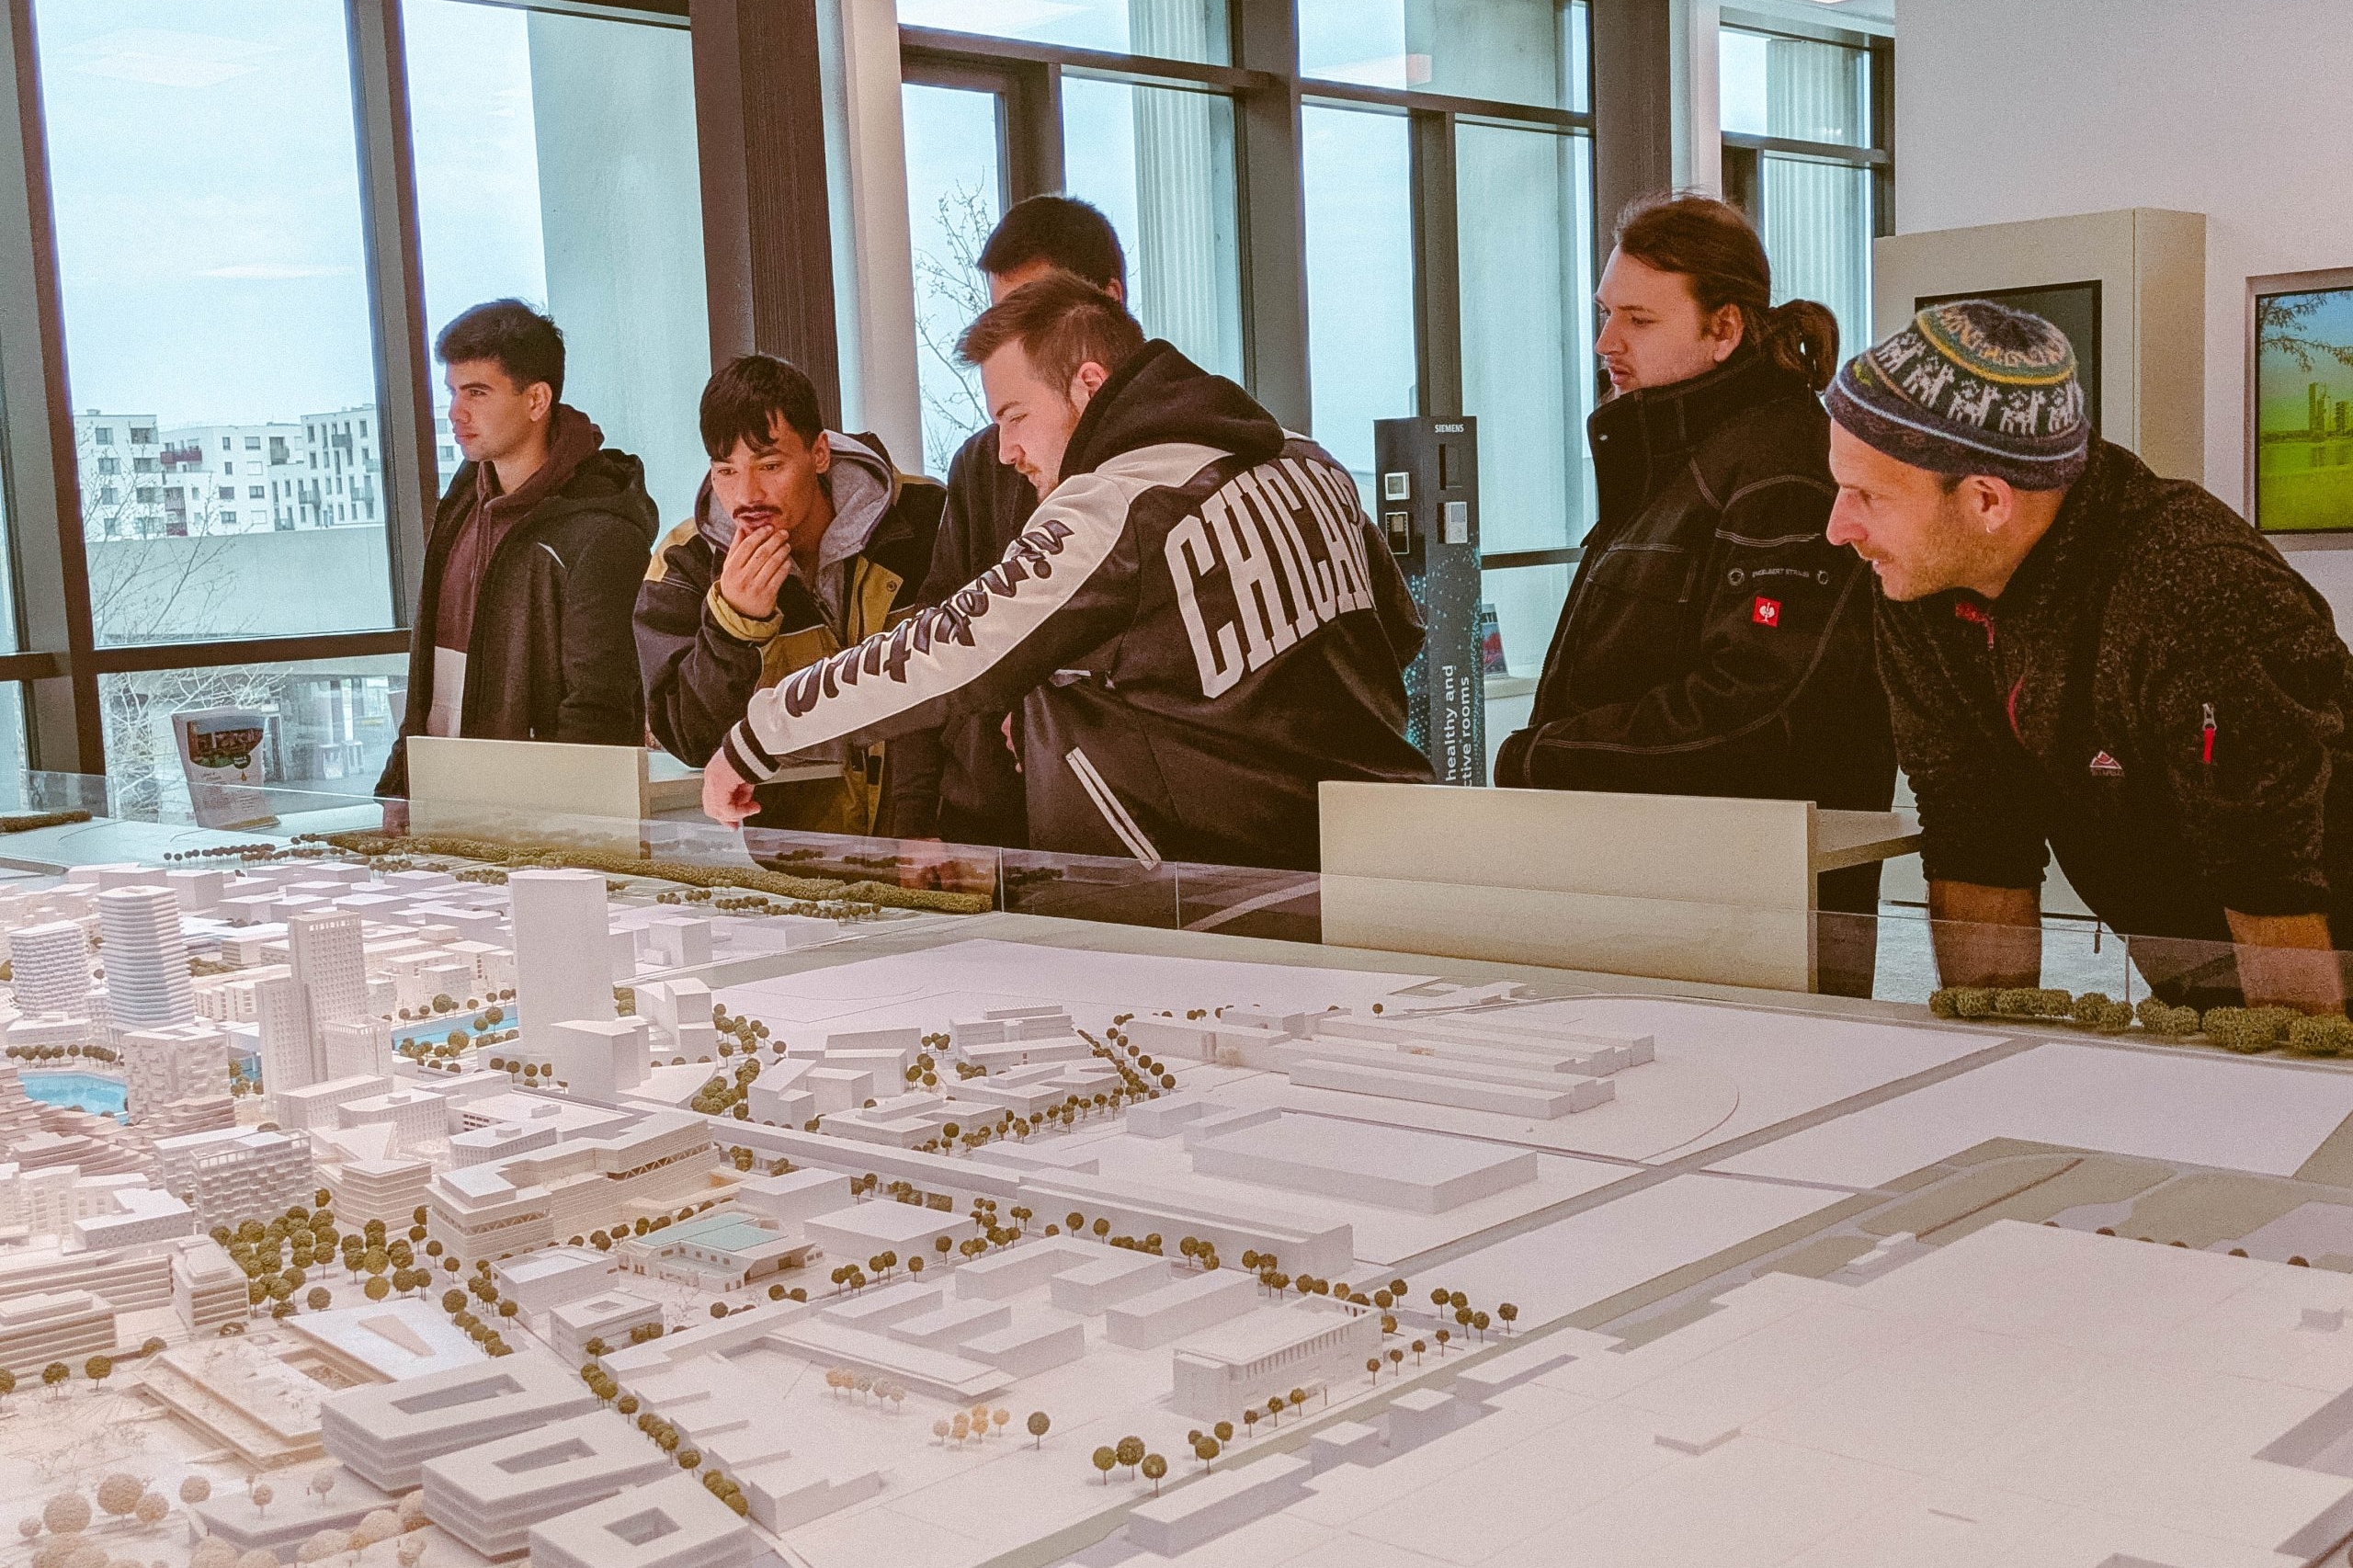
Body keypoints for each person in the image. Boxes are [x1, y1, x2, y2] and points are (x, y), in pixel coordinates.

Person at [701, 274, 1433, 870]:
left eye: (1014, 416)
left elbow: (946, 651)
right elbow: (1396, 633)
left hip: (1216, 899)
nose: (1005, 451)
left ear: (1088, 384)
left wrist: (759, 734)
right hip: (1388, 856)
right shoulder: (1309, 462)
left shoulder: (1113, 505)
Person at [1826, 298, 2353, 1013]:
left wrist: (2287, 1063)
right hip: (2196, 980)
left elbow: (2269, 878)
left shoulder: (2194, 586)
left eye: (1866, 495)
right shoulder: (1922, 582)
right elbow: (1975, 831)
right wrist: (1994, 1047)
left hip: (2319, 961)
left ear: (1987, 502)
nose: (1838, 528)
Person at [1493, 194, 1894, 994]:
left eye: (1639, 320)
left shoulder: (1781, 469)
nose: (1606, 342)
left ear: (1725, 329)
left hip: (1749, 924)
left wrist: (1542, 756)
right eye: (1606, 314)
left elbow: (1758, 710)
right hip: (1663, 897)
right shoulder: (1680, 458)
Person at [883, 193, 1131, 850]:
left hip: (1125, 835)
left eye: (1036, 312)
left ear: (1108, 302)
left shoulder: (1173, 469)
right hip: (988, 824)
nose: (1014, 342)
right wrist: (915, 817)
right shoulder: (985, 463)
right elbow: (932, 636)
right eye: (1001, 319)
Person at [635, 355, 945, 833]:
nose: (748, 495)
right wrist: (733, 625)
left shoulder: (925, 517)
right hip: (790, 854)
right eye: (726, 471)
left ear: (819, 453)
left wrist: (923, 822)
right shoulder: (685, 562)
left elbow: (963, 682)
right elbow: (687, 740)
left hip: (939, 837)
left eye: (770, 465)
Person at [375, 299, 657, 797]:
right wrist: (399, 788)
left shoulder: (601, 531)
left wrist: (550, 822)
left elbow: (599, 711)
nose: (456, 412)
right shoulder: (461, 506)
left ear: (536, 401)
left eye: (477, 392)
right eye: (453, 392)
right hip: (445, 800)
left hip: (539, 814)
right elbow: (431, 678)